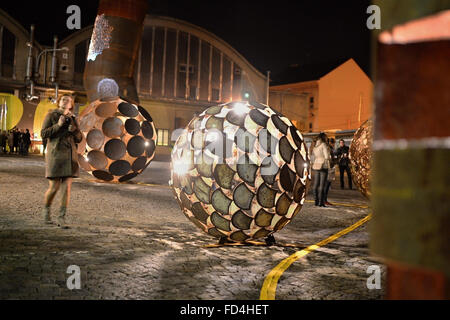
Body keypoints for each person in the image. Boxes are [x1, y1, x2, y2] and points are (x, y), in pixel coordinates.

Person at [41, 95, 82, 228]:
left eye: (69, 100)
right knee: (54, 187)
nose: (66, 101)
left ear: (71, 104)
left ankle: (61, 218)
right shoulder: (51, 115)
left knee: (66, 189)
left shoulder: (74, 119)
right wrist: (58, 125)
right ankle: (46, 212)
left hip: (70, 157)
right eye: (63, 99)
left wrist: (74, 131)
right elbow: (43, 133)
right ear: (59, 102)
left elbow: (80, 138)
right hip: (56, 154)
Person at [311, 132, 331, 207]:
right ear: (324, 138)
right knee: (322, 185)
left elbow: (313, 156)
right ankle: (321, 202)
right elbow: (327, 156)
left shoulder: (315, 146)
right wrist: (329, 154)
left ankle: (316, 201)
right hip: (323, 165)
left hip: (316, 164)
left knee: (316, 184)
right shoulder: (323, 145)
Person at [323, 137, 337, 205]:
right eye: (333, 143)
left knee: (327, 185)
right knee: (326, 185)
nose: (334, 145)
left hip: (328, 168)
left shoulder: (329, 148)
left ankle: (324, 199)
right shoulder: (328, 149)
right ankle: (324, 200)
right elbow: (329, 159)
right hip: (328, 168)